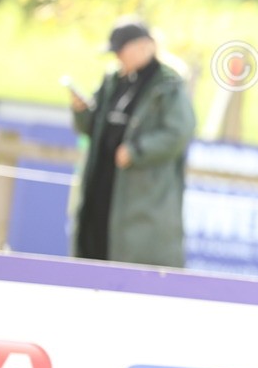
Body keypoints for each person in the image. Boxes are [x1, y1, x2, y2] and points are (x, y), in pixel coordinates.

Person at [69, 16, 196, 268]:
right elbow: (92, 128)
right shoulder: (112, 80)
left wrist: (137, 151)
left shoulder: (168, 84)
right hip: (102, 188)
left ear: (144, 46)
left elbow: (179, 133)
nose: (117, 58)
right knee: (93, 254)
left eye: (121, 51)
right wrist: (82, 111)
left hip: (142, 197)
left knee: (135, 265)